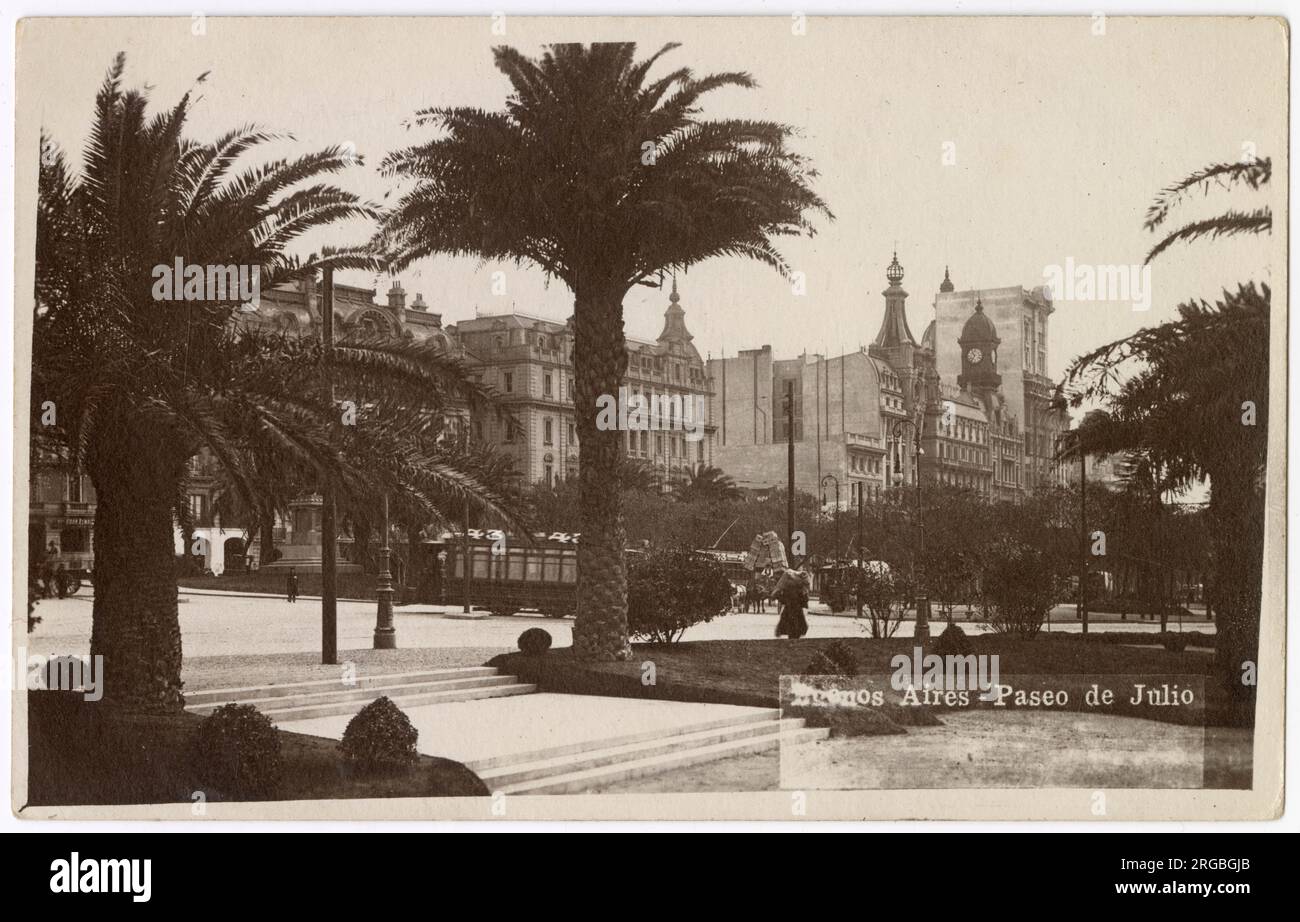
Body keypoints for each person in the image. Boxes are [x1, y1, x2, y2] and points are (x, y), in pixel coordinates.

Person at [775, 568, 810, 639]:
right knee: (798, 621)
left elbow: (782, 597)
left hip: (790, 607)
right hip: (797, 608)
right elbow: (804, 598)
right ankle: (796, 634)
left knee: (787, 620)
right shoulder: (799, 587)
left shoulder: (787, 587)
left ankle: (790, 634)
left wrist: (778, 596)